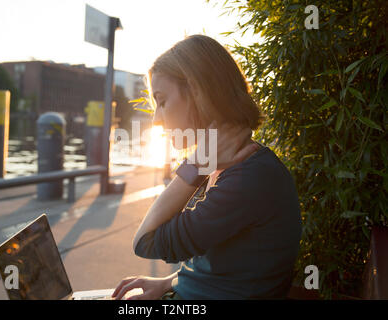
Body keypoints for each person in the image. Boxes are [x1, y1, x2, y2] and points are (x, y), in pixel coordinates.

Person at [112, 34, 302, 300]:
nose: (156, 119)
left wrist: (196, 164)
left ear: (198, 93)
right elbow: (230, 265)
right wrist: (170, 282)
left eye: (162, 101)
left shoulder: (249, 179)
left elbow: (145, 241)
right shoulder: (241, 166)